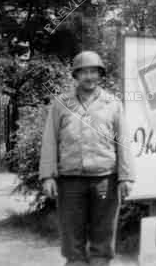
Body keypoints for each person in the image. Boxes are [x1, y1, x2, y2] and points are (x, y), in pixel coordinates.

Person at [39, 51, 134, 266]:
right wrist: (47, 176)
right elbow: (50, 141)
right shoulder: (60, 104)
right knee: (72, 241)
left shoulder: (113, 104)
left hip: (105, 180)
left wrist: (126, 177)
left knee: (103, 240)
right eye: (84, 72)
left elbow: (124, 142)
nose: (89, 76)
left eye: (94, 72)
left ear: (100, 74)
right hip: (70, 181)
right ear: (76, 75)